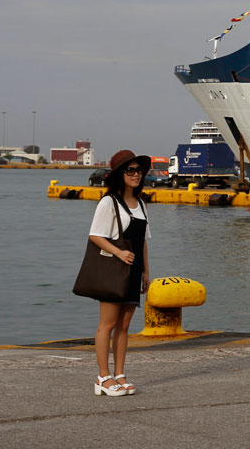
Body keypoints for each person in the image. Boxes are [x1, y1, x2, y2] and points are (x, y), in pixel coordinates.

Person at [88, 150, 151, 396]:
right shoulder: (109, 202)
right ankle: (103, 377)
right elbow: (95, 235)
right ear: (119, 175)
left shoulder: (142, 204)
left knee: (124, 325)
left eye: (139, 170)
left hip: (134, 270)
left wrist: (146, 271)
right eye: (130, 170)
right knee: (108, 324)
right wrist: (118, 253)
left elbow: (143, 241)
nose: (136, 174)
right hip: (115, 269)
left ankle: (120, 373)